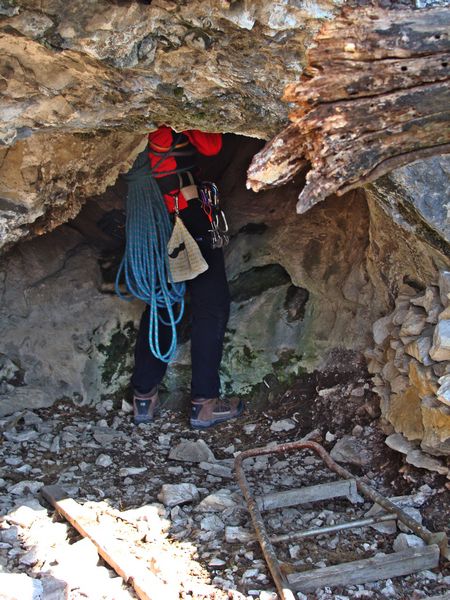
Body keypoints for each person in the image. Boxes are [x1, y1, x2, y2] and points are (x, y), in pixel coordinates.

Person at [124, 126, 243, 428]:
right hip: (184, 212)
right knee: (211, 306)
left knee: (163, 301)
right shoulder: (173, 115)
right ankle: (205, 403)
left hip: (152, 217)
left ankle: (143, 399)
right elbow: (212, 145)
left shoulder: (141, 120)